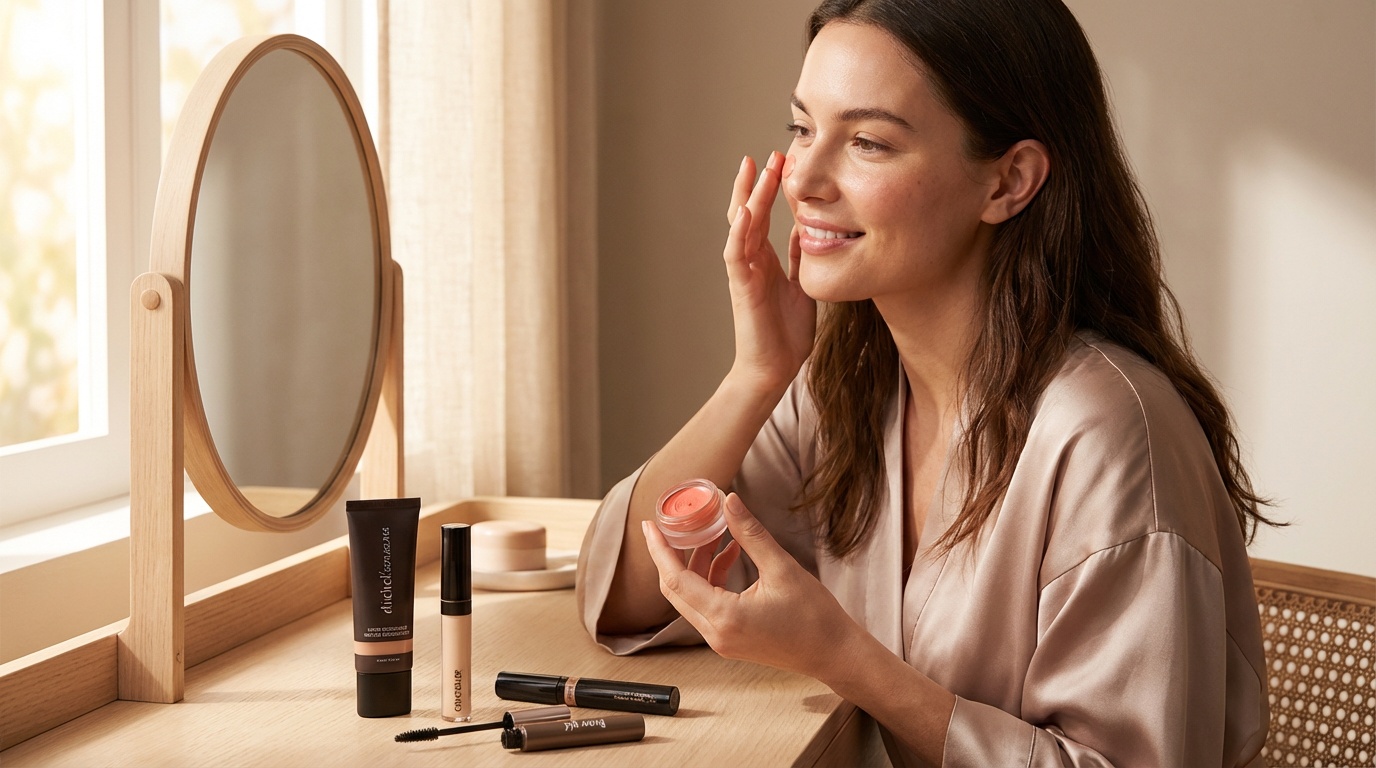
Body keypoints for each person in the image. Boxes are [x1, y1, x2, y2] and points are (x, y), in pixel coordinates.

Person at [576, 0, 1277, 764]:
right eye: (801, 129)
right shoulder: (849, 389)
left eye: (868, 142)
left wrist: (845, 658)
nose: (803, 179)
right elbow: (627, 594)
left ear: (1009, 181)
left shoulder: (1107, 433)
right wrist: (757, 373)